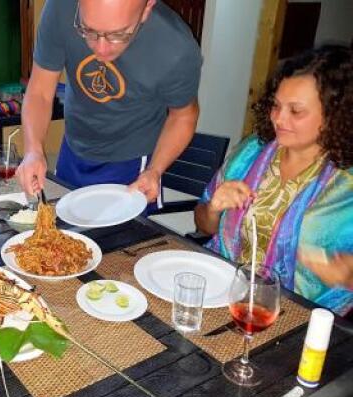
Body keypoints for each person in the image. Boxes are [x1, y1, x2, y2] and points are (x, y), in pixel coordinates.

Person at [194, 45, 353, 316]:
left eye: (296, 111)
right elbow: (204, 225)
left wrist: (347, 273)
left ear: (334, 115)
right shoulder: (251, 152)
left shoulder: (346, 184)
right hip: (225, 291)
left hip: (305, 317)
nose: (278, 118)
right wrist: (212, 209)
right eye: (276, 106)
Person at [17, 0, 201, 210]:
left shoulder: (175, 47)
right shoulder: (60, 9)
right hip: (73, 149)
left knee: (123, 242)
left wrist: (155, 170)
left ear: (147, 7)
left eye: (118, 34)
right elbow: (40, 92)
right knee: (62, 235)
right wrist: (33, 149)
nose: (101, 49)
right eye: (88, 30)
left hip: (134, 164)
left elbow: (184, 116)